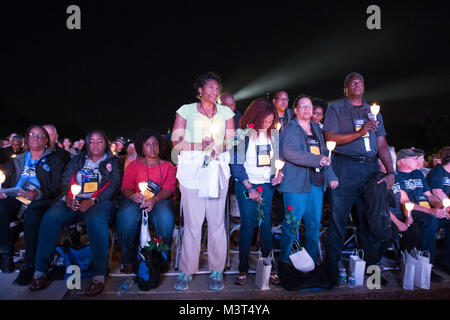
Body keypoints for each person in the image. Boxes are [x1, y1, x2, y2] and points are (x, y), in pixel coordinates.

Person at [322, 72, 396, 286]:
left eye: (360, 82)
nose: (357, 84)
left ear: (364, 87)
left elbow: (381, 144)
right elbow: (330, 138)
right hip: (344, 167)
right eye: (352, 82)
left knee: (370, 223)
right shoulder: (336, 108)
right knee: (338, 223)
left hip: (370, 170)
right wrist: (361, 131)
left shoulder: (373, 112)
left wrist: (391, 171)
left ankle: (373, 276)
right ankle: (331, 276)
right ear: (345, 88)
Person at [30, 129, 121, 296]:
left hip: (99, 201)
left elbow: (113, 185)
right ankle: (40, 271)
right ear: (86, 144)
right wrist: (68, 197)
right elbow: (65, 180)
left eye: (100, 141)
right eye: (92, 141)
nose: (95, 145)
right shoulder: (77, 160)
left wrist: (92, 200)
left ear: (106, 143)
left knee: (96, 220)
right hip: (74, 199)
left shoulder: (112, 161)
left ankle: (99, 274)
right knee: (51, 216)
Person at [171, 72, 234, 291]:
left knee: (216, 223)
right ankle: (187, 271)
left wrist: (219, 147)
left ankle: (217, 270)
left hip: (216, 170)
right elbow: (176, 141)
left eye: (218, 88)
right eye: (211, 88)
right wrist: (200, 144)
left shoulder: (225, 112)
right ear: (200, 90)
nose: (215, 92)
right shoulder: (186, 110)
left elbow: (230, 139)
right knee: (192, 223)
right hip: (191, 171)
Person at [277, 95, 338, 267]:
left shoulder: (316, 129)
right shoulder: (290, 129)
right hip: (295, 185)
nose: (307, 109)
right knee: (292, 224)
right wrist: (316, 159)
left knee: (313, 224)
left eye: (309, 107)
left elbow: (325, 153)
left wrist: (331, 176)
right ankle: (284, 263)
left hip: (316, 184)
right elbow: (289, 152)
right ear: (295, 110)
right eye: (303, 106)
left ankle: (311, 263)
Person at [0, 125, 65, 285]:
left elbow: (57, 186)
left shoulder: (54, 160)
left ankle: (29, 265)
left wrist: (38, 193)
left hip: (40, 199)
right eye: (32, 135)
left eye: (40, 136)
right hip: (17, 196)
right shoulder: (18, 160)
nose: (36, 138)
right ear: (27, 139)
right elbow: (5, 178)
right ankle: (6, 253)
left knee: (32, 215)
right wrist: (3, 190)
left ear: (46, 141)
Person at [230, 98, 283, 285]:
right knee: (247, 224)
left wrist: (279, 174)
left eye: (270, 121)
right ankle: (243, 269)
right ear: (255, 117)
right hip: (246, 185)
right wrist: (250, 188)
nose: (267, 125)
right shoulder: (242, 134)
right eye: (264, 121)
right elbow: (236, 165)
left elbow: (278, 160)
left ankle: (270, 267)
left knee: (265, 224)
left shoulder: (274, 135)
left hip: (266, 185)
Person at [116, 129, 176, 274]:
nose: (152, 147)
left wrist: (155, 199)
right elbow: (126, 187)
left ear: (160, 146)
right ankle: (128, 259)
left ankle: (162, 257)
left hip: (160, 200)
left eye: (155, 144)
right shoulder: (133, 166)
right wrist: (132, 196)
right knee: (126, 216)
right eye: (148, 144)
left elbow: (169, 189)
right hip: (136, 200)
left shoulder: (167, 166)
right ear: (141, 147)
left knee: (165, 217)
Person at [392, 148, 446, 282]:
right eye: (414, 158)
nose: (418, 161)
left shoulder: (418, 173)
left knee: (443, 220)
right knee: (430, 220)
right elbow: (405, 202)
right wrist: (431, 211)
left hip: (422, 209)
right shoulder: (394, 175)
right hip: (403, 210)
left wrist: (443, 206)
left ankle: (441, 262)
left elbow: (429, 196)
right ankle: (423, 263)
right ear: (402, 161)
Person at [426, 146, 450, 274]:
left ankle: (444, 260)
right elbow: (436, 192)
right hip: (433, 211)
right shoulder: (438, 171)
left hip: (446, 211)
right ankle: (433, 262)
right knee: (431, 224)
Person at [271, 91, 292, 232]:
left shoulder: (293, 117)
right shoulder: (269, 117)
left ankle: (288, 225)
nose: (284, 102)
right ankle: (276, 223)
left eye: (286, 99)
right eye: (281, 99)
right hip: (273, 158)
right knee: (277, 193)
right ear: (274, 101)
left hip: (290, 160)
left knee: (288, 194)